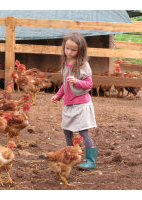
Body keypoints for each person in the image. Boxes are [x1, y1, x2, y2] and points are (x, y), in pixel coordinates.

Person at [51, 32, 97, 169]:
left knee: (83, 132)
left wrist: (77, 82)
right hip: (69, 104)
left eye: (73, 50)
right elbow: (65, 84)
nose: (69, 52)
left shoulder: (83, 65)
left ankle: (91, 161)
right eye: (67, 48)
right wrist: (58, 95)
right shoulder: (65, 63)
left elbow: (89, 85)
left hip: (81, 104)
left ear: (80, 51)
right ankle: (70, 156)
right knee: (67, 130)